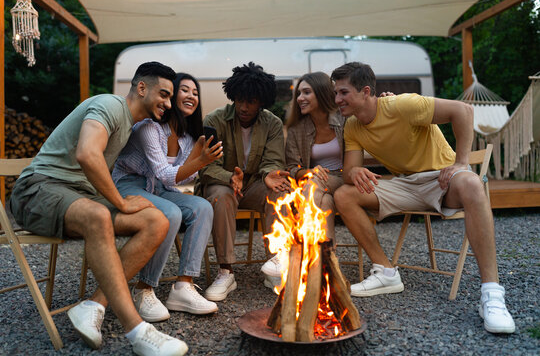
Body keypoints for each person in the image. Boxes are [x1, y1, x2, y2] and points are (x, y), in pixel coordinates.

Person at [9, 62, 189, 355]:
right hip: (38, 189)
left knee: (156, 220)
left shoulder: (131, 124)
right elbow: (87, 154)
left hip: (77, 196)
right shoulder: (109, 104)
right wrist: (120, 202)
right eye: (165, 94)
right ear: (141, 88)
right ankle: (138, 332)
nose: (169, 104)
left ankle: (93, 305)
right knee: (99, 214)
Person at [331, 62, 515, 334]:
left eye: (343, 92)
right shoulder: (353, 127)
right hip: (405, 184)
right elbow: (349, 173)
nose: (337, 99)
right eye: (336, 93)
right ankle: (385, 272)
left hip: (440, 179)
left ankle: (492, 294)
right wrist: (354, 170)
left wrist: (461, 163)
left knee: (473, 185)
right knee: (344, 195)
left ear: (365, 91)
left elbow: (462, 110)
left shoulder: (402, 105)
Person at [112, 73, 223, 321]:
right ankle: (144, 288)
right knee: (170, 213)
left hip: (158, 188)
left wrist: (199, 160)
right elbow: (165, 174)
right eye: (184, 90)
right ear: (171, 96)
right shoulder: (149, 128)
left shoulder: (186, 136)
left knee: (202, 207)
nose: (191, 96)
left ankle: (183, 286)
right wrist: (200, 161)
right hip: (129, 184)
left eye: (195, 93)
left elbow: (179, 179)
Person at [196, 62, 291, 302]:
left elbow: (273, 160)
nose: (243, 107)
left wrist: (270, 174)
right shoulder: (214, 120)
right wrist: (229, 177)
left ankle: (277, 265)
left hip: (255, 183)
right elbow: (206, 166)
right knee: (221, 195)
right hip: (222, 182)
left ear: (262, 101)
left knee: (280, 192)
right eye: (239, 100)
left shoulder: (273, 124)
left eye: (250, 101)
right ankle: (225, 272)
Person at [260, 72, 345, 289]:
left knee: (313, 184)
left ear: (323, 93)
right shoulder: (298, 129)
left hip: (344, 179)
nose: (300, 98)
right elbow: (290, 167)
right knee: (319, 199)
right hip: (316, 186)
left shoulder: (344, 120)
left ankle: (289, 253)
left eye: (307, 92)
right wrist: (307, 171)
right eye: (299, 93)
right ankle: (326, 269)